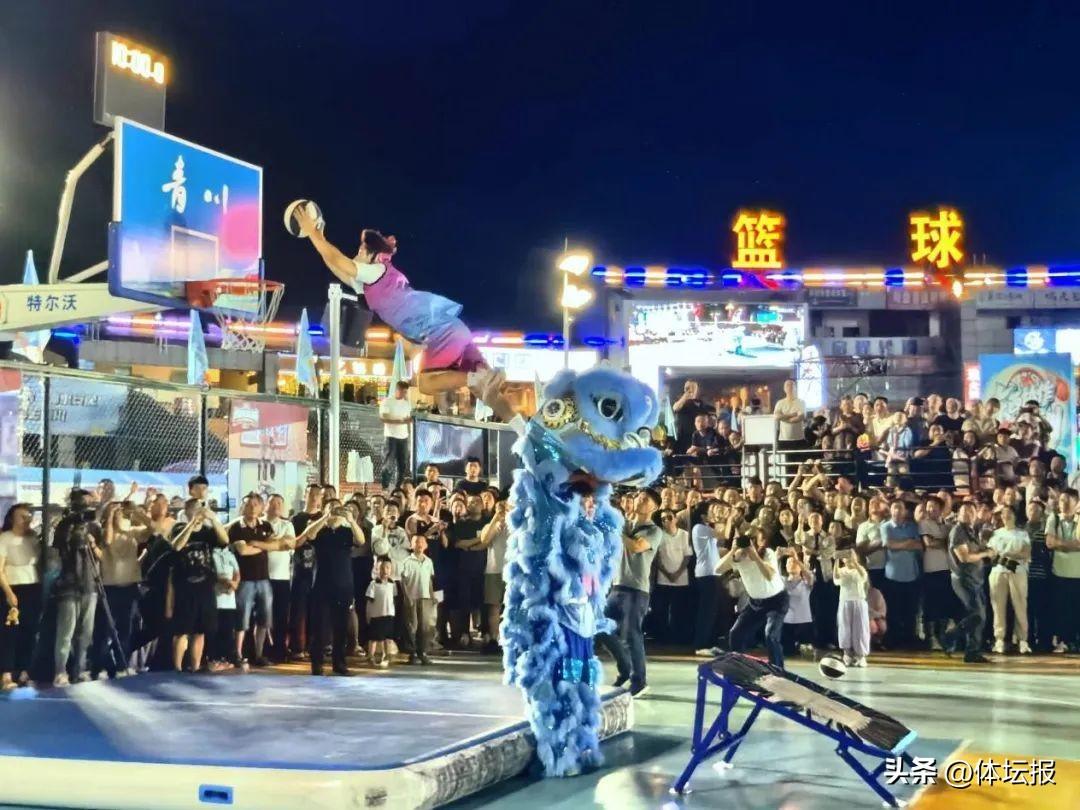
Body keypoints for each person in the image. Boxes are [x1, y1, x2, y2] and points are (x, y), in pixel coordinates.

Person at [292, 213, 512, 417]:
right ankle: (520, 427)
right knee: (489, 392)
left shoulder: (377, 270)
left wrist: (312, 232)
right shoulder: (368, 283)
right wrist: (317, 236)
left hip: (440, 331)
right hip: (454, 328)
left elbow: (341, 261)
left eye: (360, 251)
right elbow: (335, 264)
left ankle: (478, 377)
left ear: (373, 255)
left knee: (426, 384)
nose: (356, 254)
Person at [596, 488, 663, 697]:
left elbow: (636, 546)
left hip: (636, 590)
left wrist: (616, 530)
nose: (640, 501)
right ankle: (625, 669)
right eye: (638, 498)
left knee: (632, 635)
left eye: (645, 499)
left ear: (655, 507)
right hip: (616, 585)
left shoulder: (654, 531)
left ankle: (639, 681)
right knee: (601, 627)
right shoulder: (625, 525)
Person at [296, 501, 365, 676]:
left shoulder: (347, 531)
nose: (335, 511)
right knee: (319, 627)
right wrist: (326, 517)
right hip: (321, 584)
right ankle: (317, 664)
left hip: (344, 584)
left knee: (341, 627)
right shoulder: (321, 531)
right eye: (331, 507)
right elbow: (309, 535)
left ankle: (339, 664)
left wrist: (351, 520)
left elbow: (361, 540)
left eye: (338, 508)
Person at [228, 494, 289, 668]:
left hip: (264, 579)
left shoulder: (265, 526)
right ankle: (238, 654)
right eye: (249, 505)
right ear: (243, 507)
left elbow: (276, 545)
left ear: (261, 507)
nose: (252, 508)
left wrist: (256, 544)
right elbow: (243, 550)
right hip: (245, 580)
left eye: (256, 505)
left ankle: (259, 654)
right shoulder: (236, 527)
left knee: (264, 620)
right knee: (242, 619)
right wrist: (263, 546)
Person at [169, 499, 229, 673]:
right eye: (196, 509)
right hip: (185, 587)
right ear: (187, 510)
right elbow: (177, 546)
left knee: (201, 630)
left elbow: (225, 540)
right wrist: (192, 524)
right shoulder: (179, 528)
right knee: (182, 630)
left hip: (205, 587)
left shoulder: (208, 532)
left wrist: (213, 519)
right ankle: (177, 668)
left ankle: (195, 667)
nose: (200, 512)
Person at [51, 490, 103, 686]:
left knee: (86, 631)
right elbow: (59, 552)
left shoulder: (94, 526)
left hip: (90, 583)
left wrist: (92, 543)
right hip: (69, 583)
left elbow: (101, 555)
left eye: (89, 505)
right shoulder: (65, 525)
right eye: (83, 505)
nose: (86, 510)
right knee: (66, 631)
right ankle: (60, 670)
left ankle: (80, 669)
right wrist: (71, 529)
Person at [93, 501, 148, 678]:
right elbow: (108, 540)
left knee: (126, 628)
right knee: (104, 629)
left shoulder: (133, 532)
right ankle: (101, 666)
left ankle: (122, 665)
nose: (119, 514)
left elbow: (153, 529)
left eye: (121, 513)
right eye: (116, 513)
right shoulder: (104, 532)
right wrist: (110, 515)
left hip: (130, 586)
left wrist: (137, 512)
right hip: (109, 587)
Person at [719, 533, 789, 668]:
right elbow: (718, 569)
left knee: (770, 635)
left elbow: (769, 575)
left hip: (777, 601)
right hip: (755, 603)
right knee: (736, 633)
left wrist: (755, 556)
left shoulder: (767, 553)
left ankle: (777, 669)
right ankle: (739, 666)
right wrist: (733, 551)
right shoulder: (738, 557)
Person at [946, 501, 995, 663]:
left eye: (971, 511)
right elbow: (964, 557)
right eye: (964, 511)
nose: (968, 514)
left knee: (979, 616)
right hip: (964, 579)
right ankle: (952, 635)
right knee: (977, 615)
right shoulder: (958, 531)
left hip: (976, 578)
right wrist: (985, 554)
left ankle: (972, 651)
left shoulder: (971, 531)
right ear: (958, 514)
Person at [0, 503, 42, 690]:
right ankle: (6, 674)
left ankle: (24, 671)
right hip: (13, 588)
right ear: (12, 518)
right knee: (10, 632)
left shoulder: (32, 538)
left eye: (28, 516)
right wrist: (8, 592)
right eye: (22, 516)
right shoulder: (5, 538)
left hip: (32, 586)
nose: (26, 520)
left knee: (29, 631)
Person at [987, 507, 1031, 654]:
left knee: (1020, 606)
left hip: (1017, 571)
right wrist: (1000, 554)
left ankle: (1022, 639)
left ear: (1015, 515)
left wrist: (1007, 553)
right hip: (998, 572)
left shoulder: (1022, 534)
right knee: (998, 607)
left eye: (1009, 513)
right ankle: (999, 639)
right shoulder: (996, 533)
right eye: (1003, 514)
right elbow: (991, 552)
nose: (1006, 516)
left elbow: (1025, 553)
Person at [289, 484, 324, 660]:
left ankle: (316, 646)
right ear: (305, 495)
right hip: (300, 567)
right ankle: (298, 647)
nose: (314, 497)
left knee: (317, 609)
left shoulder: (324, 517)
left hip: (320, 569)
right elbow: (293, 543)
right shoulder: (296, 519)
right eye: (311, 494)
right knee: (299, 609)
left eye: (318, 494)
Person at [881, 500, 921, 648]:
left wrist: (899, 544)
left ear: (905, 511)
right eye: (895, 508)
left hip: (911, 574)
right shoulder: (886, 526)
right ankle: (893, 640)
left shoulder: (912, 527)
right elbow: (888, 544)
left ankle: (909, 640)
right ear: (890, 510)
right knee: (893, 611)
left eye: (900, 508)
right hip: (893, 575)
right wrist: (907, 543)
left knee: (910, 611)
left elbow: (919, 545)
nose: (897, 511)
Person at [691, 502, 730, 656]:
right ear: (703, 516)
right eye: (710, 512)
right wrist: (729, 518)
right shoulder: (699, 528)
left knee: (714, 610)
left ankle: (710, 643)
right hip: (706, 573)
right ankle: (701, 645)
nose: (713, 514)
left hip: (713, 573)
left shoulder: (706, 528)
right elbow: (724, 534)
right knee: (707, 611)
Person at [1045, 489, 1080, 653]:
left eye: (1068, 500)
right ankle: (1063, 640)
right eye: (1061, 500)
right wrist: (1071, 545)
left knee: (1076, 609)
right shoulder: (1054, 519)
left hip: (1077, 573)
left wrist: (1061, 544)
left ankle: (1075, 641)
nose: (1063, 504)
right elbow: (1050, 543)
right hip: (1059, 572)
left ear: (1076, 503)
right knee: (1061, 610)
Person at [917, 496, 952, 650]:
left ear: (941, 508)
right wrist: (946, 542)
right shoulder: (924, 524)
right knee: (930, 603)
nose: (931, 509)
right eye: (929, 507)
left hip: (946, 568)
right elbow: (929, 543)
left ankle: (942, 635)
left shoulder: (947, 525)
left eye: (934, 506)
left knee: (944, 603)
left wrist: (943, 542)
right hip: (931, 569)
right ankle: (930, 637)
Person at [264, 494, 296, 663]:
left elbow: (290, 544)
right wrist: (278, 542)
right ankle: (261, 651)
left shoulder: (287, 525)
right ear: (266, 505)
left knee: (280, 616)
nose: (276, 505)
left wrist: (266, 543)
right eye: (272, 502)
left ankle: (279, 651)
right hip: (261, 577)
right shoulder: (259, 523)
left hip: (282, 577)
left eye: (279, 503)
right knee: (262, 617)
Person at [477, 499, 509, 652]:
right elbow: (484, 540)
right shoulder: (489, 526)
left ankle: (510, 639)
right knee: (493, 606)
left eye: (506, 509)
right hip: (493, 569)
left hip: (512, 570)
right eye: (500, 509)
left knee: (512, 606)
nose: (503, 512)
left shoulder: (518, 524)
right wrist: (496, 519)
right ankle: (494, 639)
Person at [400, 534, 436, 664]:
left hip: (425, 597)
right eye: (416, 542)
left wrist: (432, 597)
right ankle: (412, 653)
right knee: (412, 626)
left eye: (422, 542)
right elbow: (403, 581)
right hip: (412, 597)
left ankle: (423, 652)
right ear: (411, 545)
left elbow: (430, 581)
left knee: (425, 626)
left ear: (425, 545)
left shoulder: (429, 561)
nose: (419, 544)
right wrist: (407, 597)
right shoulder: (406, 561)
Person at [834, 550, 870, 667]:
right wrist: (836, 560)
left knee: (860, 629)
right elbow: (836, 579)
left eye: (851, 555)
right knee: (845, 629)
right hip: (845, 601)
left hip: (858, 601)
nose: (848, 558)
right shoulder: (842, 570)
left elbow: (864, 577)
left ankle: (861, 656)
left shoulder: (859, 569)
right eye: (846, 556)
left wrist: (855, 563)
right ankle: (847, 654)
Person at [210, 538, 241, 670]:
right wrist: (228, 583)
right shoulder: (211, 554)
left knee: (228, 630)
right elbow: (214, 574)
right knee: (215, 631)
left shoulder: (230, 554)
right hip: (215, 599)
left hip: (229, 600)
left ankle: (227, 658)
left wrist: (234, 584)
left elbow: (237, 572)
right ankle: (214, 658)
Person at [380, 381, 413, 488]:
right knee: (388, 463)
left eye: (406, 392)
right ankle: (385, 486)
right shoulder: (387, 402)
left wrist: (408, 424)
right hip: (391, 436)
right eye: (403, 392)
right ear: (397, 390)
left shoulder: (407, 404)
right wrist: (399, 422)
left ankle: (398, 487)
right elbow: (383, 418)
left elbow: (408, 419)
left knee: (402, 465)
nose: (404, 394)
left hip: (403, 437)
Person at [365, 558, 397, 668]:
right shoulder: (374, 584)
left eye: (388, 568)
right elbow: (369, 601)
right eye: (383, 568)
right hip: (377, 615)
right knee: (374, 637)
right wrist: (368, 615)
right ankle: (370, 656)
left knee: (388, 638)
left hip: (389, 614)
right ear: (379, 570)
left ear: (391, 570)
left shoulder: (392, 584)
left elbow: (394, 599)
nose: (385, 570)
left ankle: (387, 655)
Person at [782, 556, 814, 658]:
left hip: (803, 620)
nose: (792, 564)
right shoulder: (783, 581)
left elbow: (809, 575)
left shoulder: (806, 582)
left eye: (794, 563)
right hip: (787, 620)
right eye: (789, 563)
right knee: (788, 653)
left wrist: (796, 559)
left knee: (806, 652)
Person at [673, 380, 711, 453]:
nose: (690, 390)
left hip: (699, 440)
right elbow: (675, 408)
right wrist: (686, 395)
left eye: (693, 387)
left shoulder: (702, 405)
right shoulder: (681, 402)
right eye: (687, 388)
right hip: (684, 439)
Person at [773, 379, 806, 448]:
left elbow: (801, 417)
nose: (790, 387)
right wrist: (793, 414)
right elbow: (776, 417)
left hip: (799, 439)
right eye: (787, 385)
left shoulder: (801, 402)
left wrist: (783, 418)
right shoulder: (780, 403)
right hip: (784, 439)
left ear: (795, 388)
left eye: (792, 385)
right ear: (784, 389)